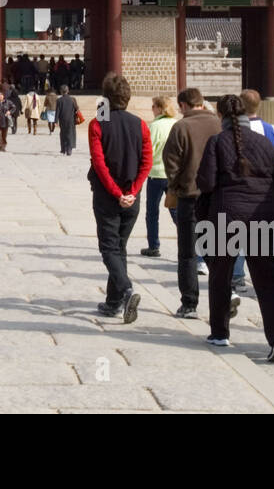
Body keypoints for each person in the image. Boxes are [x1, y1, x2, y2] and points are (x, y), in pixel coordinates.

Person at [195, 94, 274, 360]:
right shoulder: (263, 142)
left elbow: (206, 182)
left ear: (221, 116)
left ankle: (220, 333)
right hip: (262, 215)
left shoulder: (217, 142)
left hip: (227, 215)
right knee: (268, 280)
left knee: (220, 275)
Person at [88, 73, 152, 323]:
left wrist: (116, 193)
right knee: (119, 248)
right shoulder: (141, 124)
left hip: (108, 197)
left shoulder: (97, 124)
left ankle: (126, 291)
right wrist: (132, 191)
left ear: (105, 97)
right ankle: (113, 302)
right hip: (132, 198)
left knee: (108, 248)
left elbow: (100, 164)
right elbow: (147, 161)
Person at [162, 88, 220, 319]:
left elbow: (171, 162)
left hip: (189, 196)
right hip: (216, 197)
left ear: (184, 105)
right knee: (215, 249)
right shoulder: (218, 124)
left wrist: (176, 185)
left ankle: (189, 303)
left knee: (187, 253)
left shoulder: (181, 127)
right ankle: (225, 293)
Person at [239, 89, 274, 296]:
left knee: (239, 233)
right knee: (273, 232)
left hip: (243, 191)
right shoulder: (271, 130)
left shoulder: (234, 131)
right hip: (268, 191)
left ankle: (237, 276)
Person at [139, 96, 177, 258]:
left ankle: (153, 245)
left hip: (156, 173)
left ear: (160, 109)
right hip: (173, 174)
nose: (151, 109)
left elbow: (148, 150)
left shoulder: (154, 126)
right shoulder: (176, 124)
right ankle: (187, 245)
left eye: (153, 106)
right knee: (177, 212)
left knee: (152, 212)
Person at [56, 85, 78, 156]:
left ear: (61, 91)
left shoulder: (59, 100)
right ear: (68, 91)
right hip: (71, 120)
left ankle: (63, 149)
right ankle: (69, 149)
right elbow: (76, 109)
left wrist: (55, 120)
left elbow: (57, 111)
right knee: (70, 134)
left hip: (62, 120)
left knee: (63, 134)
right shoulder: (72, 99)